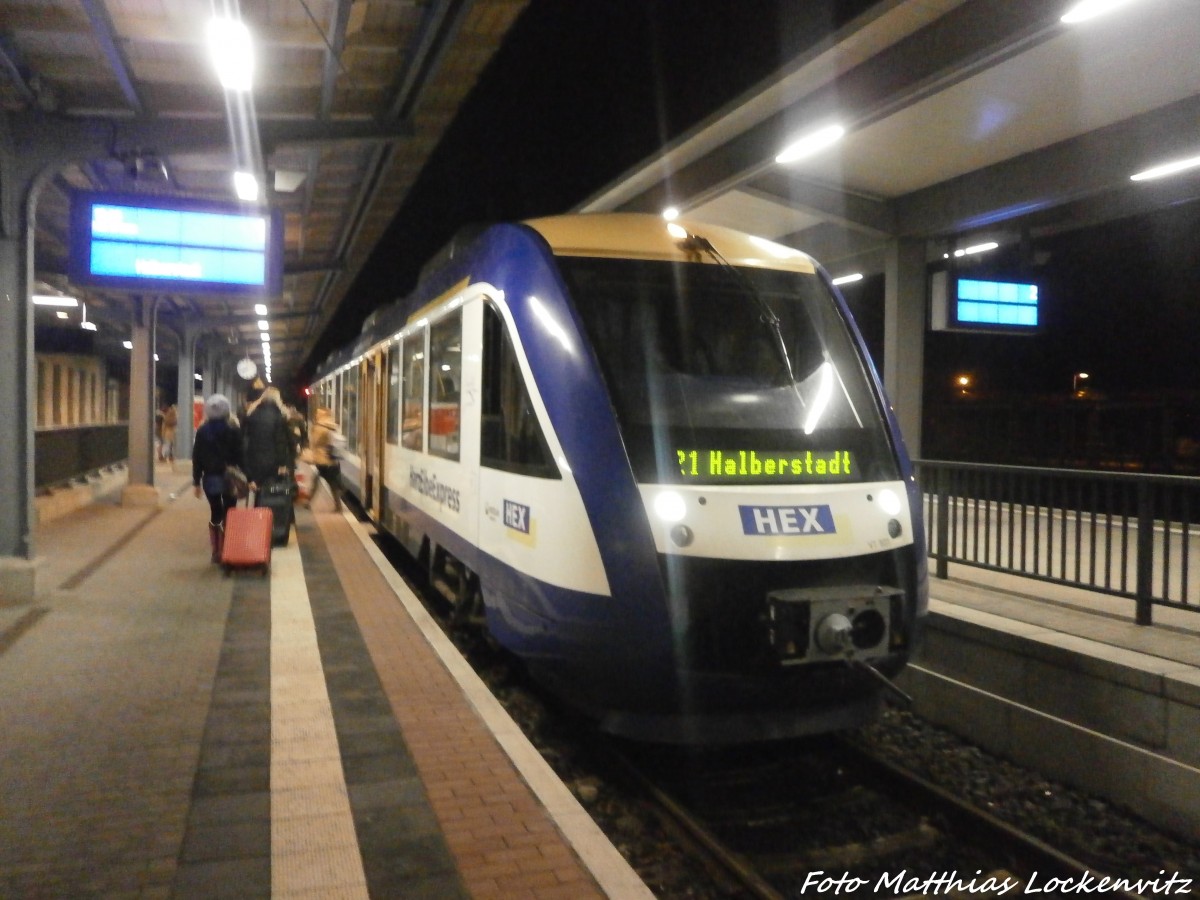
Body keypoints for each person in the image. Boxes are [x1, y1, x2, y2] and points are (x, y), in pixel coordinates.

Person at [192, 394, 243, 563]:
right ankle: (229, 548)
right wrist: (247, 476)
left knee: (215, 511)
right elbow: (240, 455)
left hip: (210, 478)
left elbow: (197, 457)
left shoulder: (202, 431)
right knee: (230, 512)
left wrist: (196, 481)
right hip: (230, 477)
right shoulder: (234, 430)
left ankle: (216, 551)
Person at [241, 384, 294, 493]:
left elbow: (244, 441)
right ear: (278, 400)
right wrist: (283, 464)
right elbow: (281, 443)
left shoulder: (251, 414)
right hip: (273, 463)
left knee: (258, 494)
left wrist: (248, 473)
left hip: (253, 462)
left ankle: (259, 508)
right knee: (272, 494)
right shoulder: (279, 416)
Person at [307, 406, 343, 511]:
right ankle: (308, 501)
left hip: (323, 460)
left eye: (319, 413)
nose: (316, 415)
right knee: (330, 483)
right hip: (332, 459)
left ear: (323, 415)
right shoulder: (332, 425)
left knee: (325, 482)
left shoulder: (320, 427)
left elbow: (315, 442)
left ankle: (338, 506)